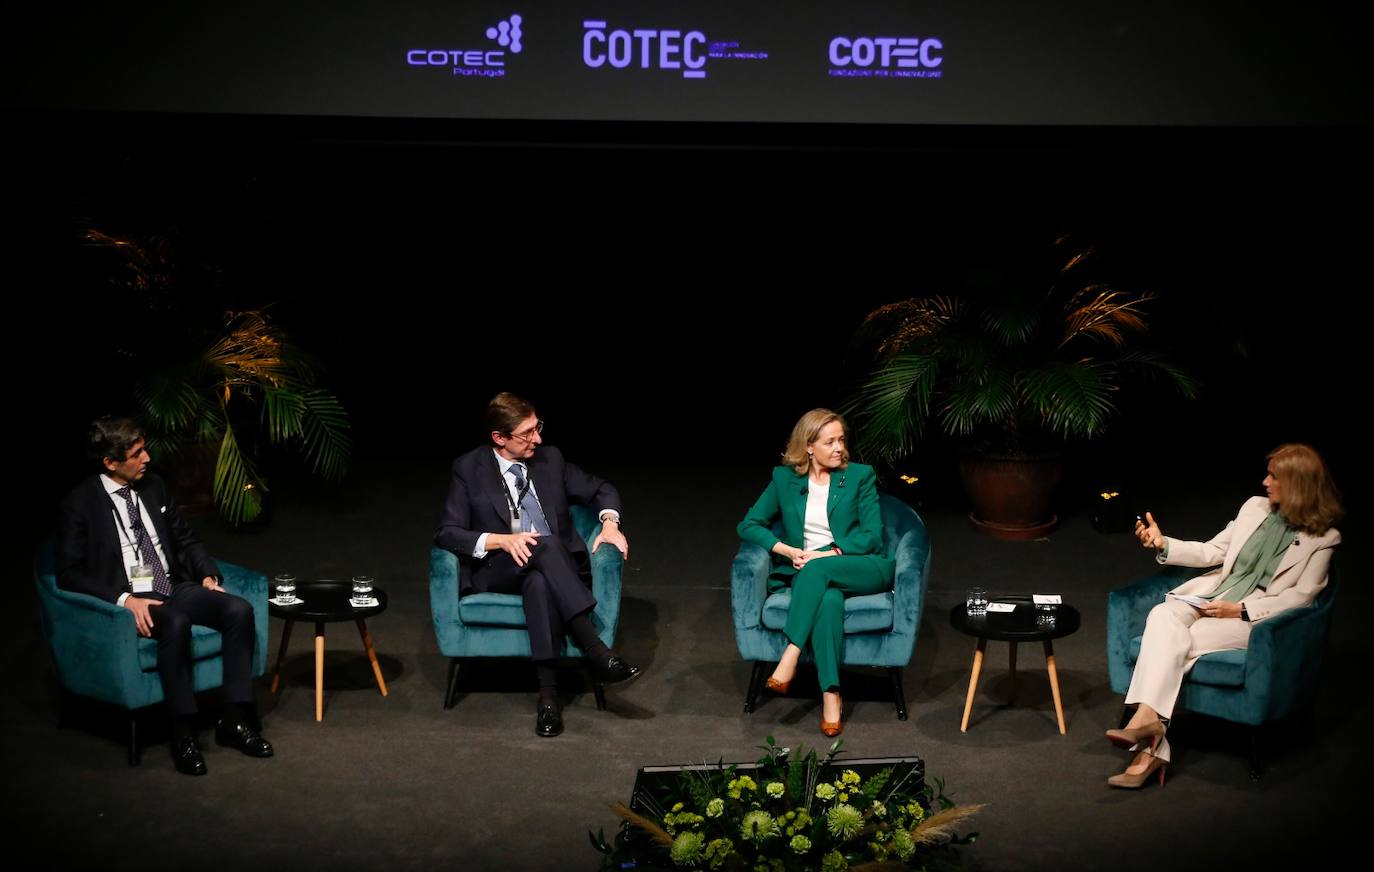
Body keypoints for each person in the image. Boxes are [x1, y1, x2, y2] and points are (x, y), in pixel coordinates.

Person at [1109, 443, 1343, 788]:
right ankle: (1151, 728)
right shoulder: (1254, 508)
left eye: (1273, 477)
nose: (1265, 482)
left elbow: (1303, 596)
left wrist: (1243, 610)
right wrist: (1164, 545)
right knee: (1162, 615)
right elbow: (1214, 550)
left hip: (1252, 621)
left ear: (1297, 484)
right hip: (1211, 599)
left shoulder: (1323, 538)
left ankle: (1149, 743)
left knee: (1180, 642)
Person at [57, 417, 273, 776]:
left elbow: (185, 539)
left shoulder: (154, 487)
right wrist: (124, 600)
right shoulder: (80, 504)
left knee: (238, 610)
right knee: (175, 621)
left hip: (174, 586)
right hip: (133, 599)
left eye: (145, 448)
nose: (147, 458)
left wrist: (206, 573)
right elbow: (67, 573)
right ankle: (182, 733)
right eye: (137, 453)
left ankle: (234, 720)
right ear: (110, 462)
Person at [434, 392, 639, 737]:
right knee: (543, 548)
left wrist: (609, 523)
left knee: (540, 579)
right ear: (499, 438)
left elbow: (601, 489)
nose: (538, 439)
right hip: (499, 569)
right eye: (527, 433)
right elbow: (447, 533)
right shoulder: (469, 468)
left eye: (537, 427)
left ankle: (547, 700)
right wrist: (502, 540)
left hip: (551, 570)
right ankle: (596, 650)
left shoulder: (550, 460)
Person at [737, 409, 895, 736]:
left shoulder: (859, 476)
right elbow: (748, 524)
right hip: (810, 573)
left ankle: (790, 653)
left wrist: (823, 554)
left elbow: (871, 536)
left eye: (841, 440)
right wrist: (787, 551)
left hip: (861, 565)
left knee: (818, 569)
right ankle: (831, 695)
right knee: (829, 602)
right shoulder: (785, 479)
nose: (839, 447)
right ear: (809, 446)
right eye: (830, 441)